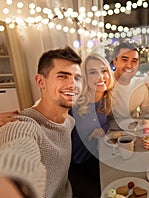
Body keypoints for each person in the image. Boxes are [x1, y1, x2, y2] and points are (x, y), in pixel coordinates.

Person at [0, 46, 83, 197]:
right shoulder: (21, 126)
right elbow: (17, 156)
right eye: (62, 76)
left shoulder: (69, 121)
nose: (73, 85)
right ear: (40, 81)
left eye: (77, 78)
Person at [68, 53, 114, 198]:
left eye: (104, 70)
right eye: (93, 72)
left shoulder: (105, 100)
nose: (101, 76)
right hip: (75, 166)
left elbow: (104, 123)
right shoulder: (74, 103)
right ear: (84, 78)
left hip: (95, 158)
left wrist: (100, 132)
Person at [111, 42, 149, 126]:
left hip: (132, 132)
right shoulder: (104, 82)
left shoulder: (141, 86)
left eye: (134, 61)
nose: (129, 65)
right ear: (115, 62)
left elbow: (146, 115)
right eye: (124, 60)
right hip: (107, 133)